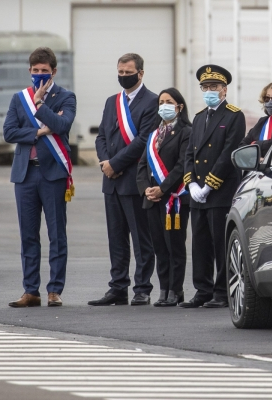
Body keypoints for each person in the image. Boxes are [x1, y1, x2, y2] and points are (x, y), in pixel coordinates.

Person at [3, 47, 76, 307]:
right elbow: (9, 132)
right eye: (35, 71)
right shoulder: (17, 98)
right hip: (25, 173)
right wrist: (37, 133)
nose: (39, 75)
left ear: (54, 71)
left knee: (57, 234)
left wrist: (40, 104)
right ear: (29, 70)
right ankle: (30, 290)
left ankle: (54, 290)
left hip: (53, 174)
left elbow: (62, 125)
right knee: (28, 235)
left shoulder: (66, 97)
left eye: (44, 71)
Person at [89, 53, 158, 307]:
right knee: (116, 239)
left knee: (141, 239)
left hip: (134, 181)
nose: (123, 76)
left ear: (140, 73)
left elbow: (144, 140)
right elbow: (101, 137)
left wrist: (116, 164)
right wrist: (106, 164)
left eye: (128, 73)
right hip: (112, 182)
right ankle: (118, 287)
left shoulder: (152, 102)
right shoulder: (112, 102)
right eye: (120, 72)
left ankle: (142, 288)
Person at [179, 64, 246, 309]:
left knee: (221, 244)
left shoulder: (233, 115)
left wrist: (208, 185)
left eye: (214, 86)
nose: (209, 90)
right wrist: (192, 183)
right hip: (198, 194)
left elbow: (229, 152)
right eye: (205, 87)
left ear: (224, 90)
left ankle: (222, 292)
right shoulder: (198, 118)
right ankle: (202, 290)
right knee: (200, 243)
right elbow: (189, 154)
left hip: (220, 191)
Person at [136, 88, 192, 307]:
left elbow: (182, 165)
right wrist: (146, 189)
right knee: (159, 246)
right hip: (153, 198)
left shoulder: (186, 132)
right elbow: (142, 164)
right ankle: (164, 288)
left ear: (179, 106)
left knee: (174, 245)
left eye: (169, 102)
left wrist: (163, 188)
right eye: (161, 102)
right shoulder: (153, 133)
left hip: (174, 199)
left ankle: (176, 290)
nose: (164, 106)